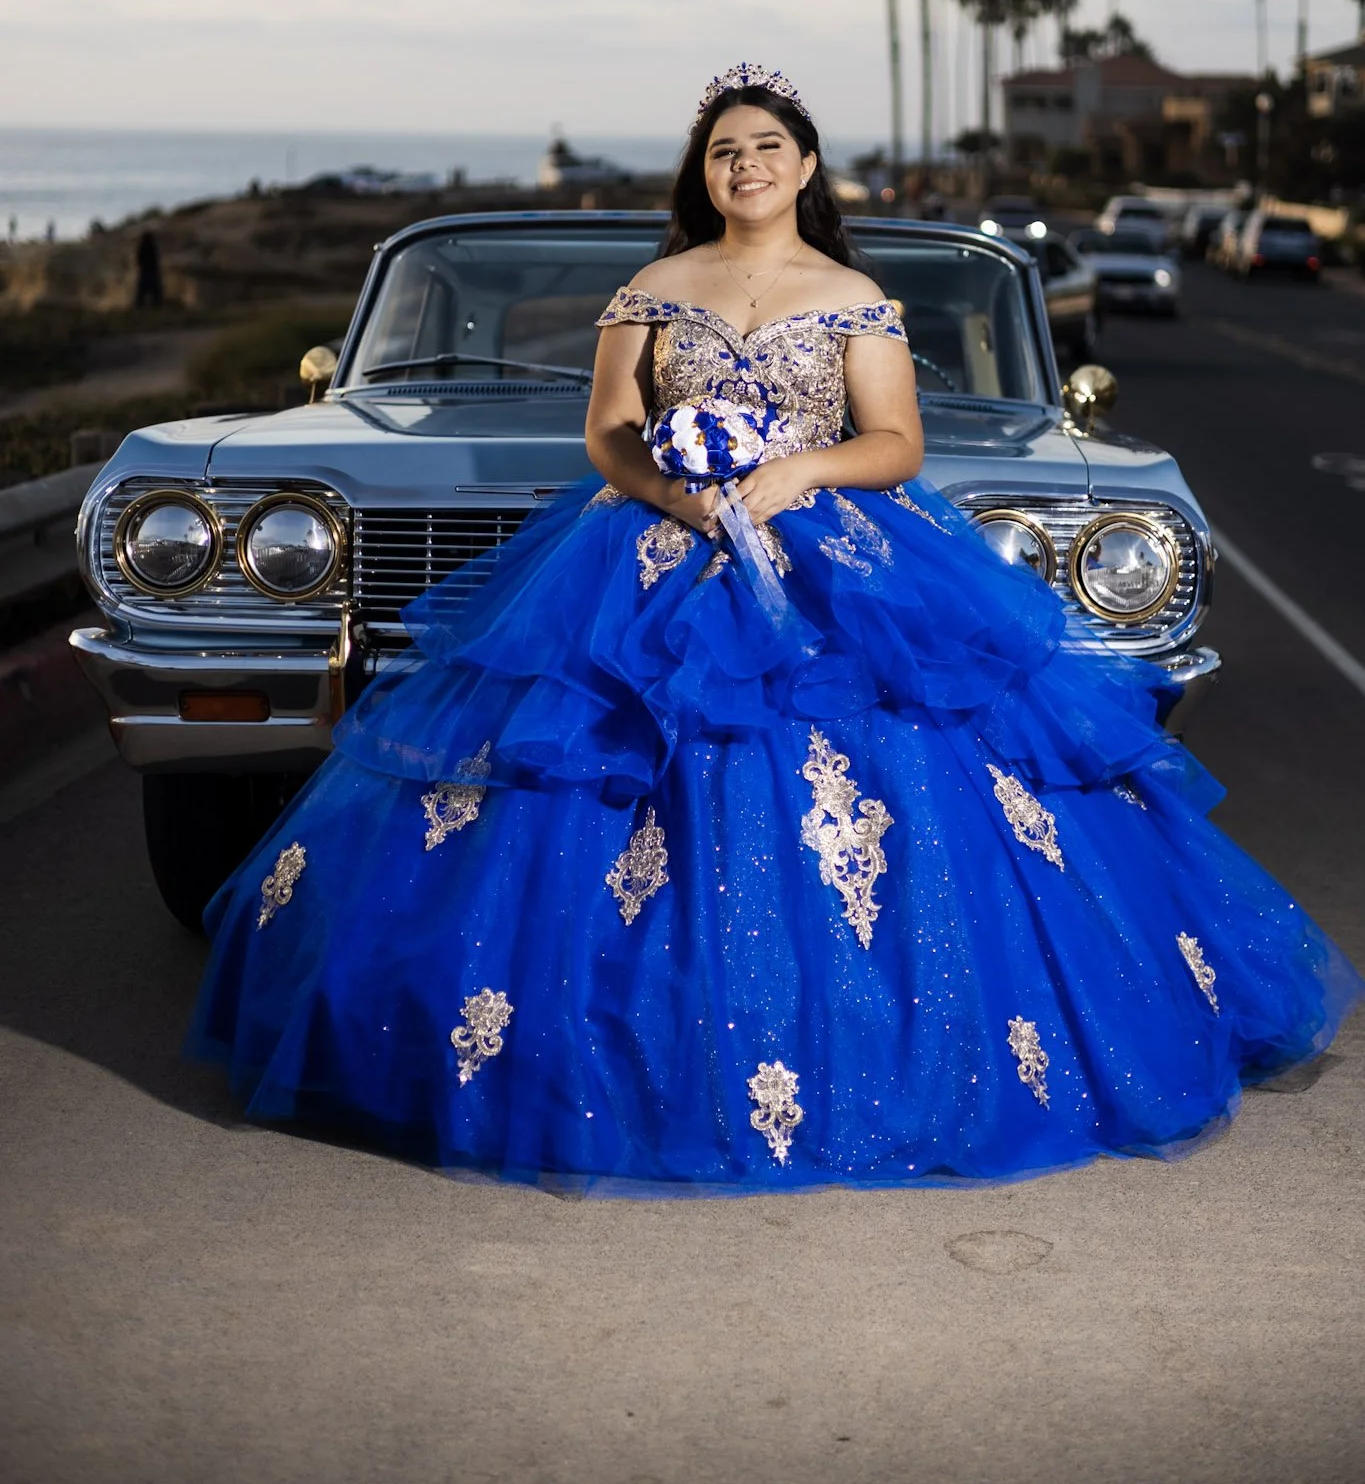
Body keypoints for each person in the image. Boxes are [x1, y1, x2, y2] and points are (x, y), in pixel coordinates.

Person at [190, 64, 1361, 1192]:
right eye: (723, 149)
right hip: (648, 548)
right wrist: (676, 492)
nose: (746, 163)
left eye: (767, 146)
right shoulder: (652, 288)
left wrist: (799, 473)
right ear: (702, 172)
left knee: (898, 788)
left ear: (805, 165)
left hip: (830, 555)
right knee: (597, 778)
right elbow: (607, 432)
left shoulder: (854, 297)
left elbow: (896, 441)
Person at [135, 229, 163, 309]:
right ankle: (155, 304)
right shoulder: (151, 247)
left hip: (146, 271)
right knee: (154, 291)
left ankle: (141, 305)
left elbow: (139, 259)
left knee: (143, 291)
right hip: (150, 271)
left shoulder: (144, 247)